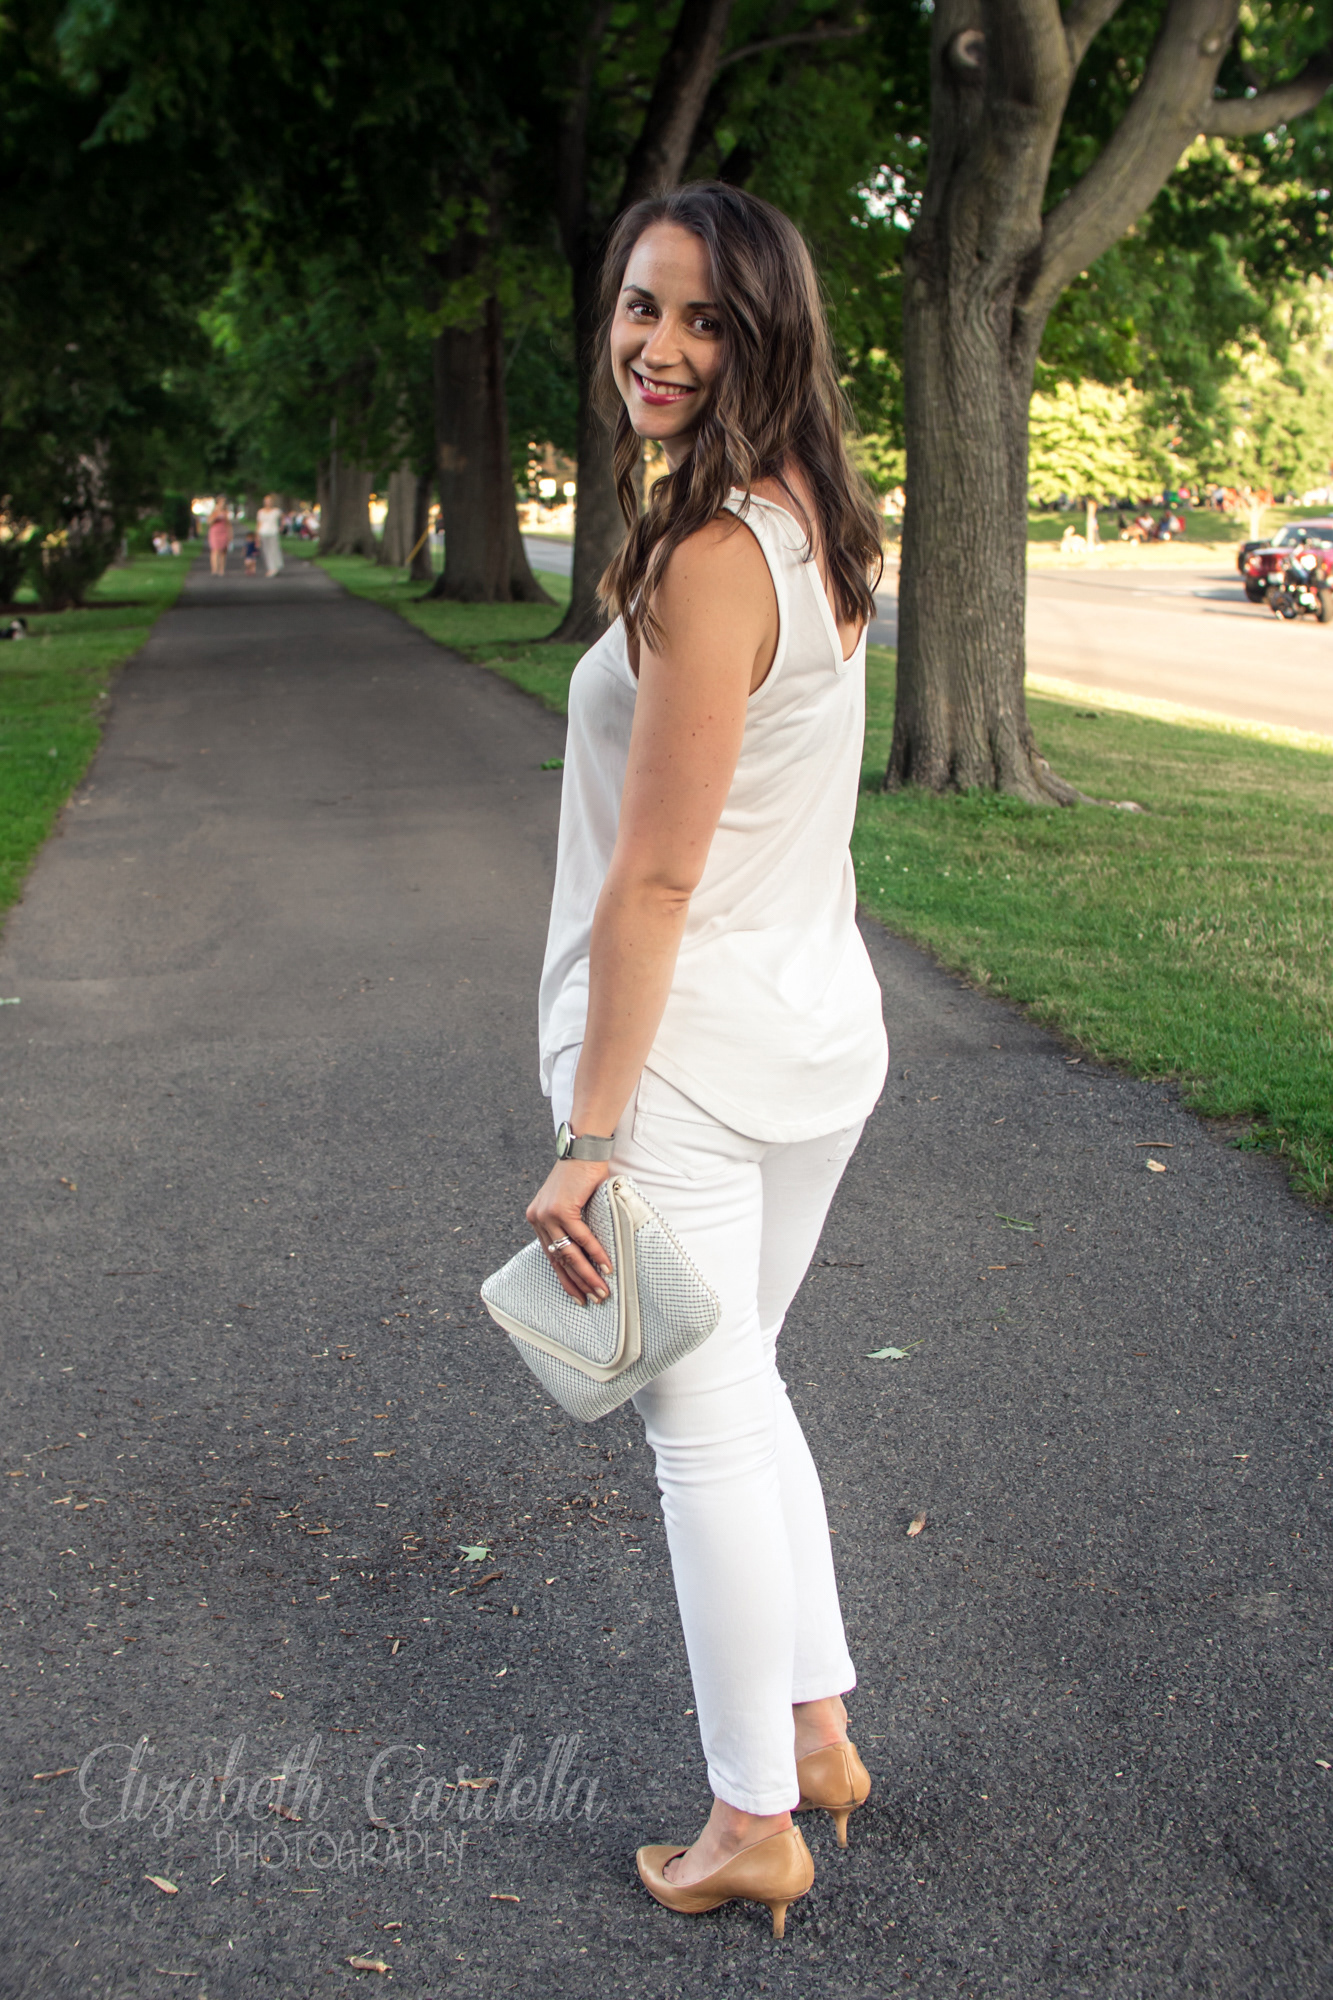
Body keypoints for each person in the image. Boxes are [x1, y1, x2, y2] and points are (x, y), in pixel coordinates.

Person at [525, 182, 888, 1937]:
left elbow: (655, 878)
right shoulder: (816, 523)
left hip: (687, 1065)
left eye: (703, 320)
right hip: (812, 1037)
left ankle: (750, 1818)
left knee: (703, 1432)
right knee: (745, 1391)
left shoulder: (709, 558)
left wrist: (589, 1137)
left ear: (767, 338)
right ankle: (811, 1733)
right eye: (639, 305)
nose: (657, 346)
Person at [257, 493, 284, 577]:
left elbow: (282, 518)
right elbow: (259, 524)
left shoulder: (276, 511)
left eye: (269, 501)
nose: (267, 503)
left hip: (273, 532)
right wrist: (257, 535)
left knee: (274, 550)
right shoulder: (261, 512)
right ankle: (270, 568)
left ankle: (275, 567)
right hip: (263, 532)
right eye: (266, 501)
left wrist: (281, 526)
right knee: (266, 551)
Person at [207, 503, 231, 576]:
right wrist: (215, 517)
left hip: (223, 532)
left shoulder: (225, 514)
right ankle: (214, 569)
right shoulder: (213, 514)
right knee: (215, 550)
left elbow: (228, 524)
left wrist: (230, 534)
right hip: (214, 533)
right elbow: (209, 522)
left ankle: (221, 569)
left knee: (223, 551)